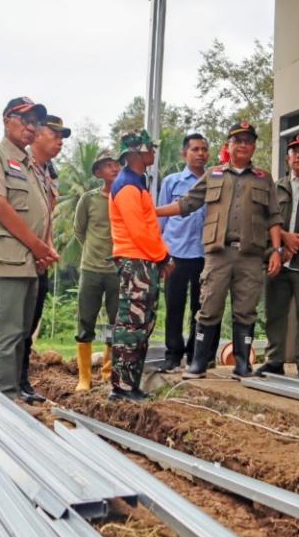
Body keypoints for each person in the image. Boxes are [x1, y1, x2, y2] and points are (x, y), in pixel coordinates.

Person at [156, 122, 283, 380]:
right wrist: (152, 212)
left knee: (246, 309)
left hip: (250, 255)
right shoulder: (213, 174)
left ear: (254, 147)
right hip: (217, 255)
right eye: (238, 141)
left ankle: (242, 365)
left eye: (248, 141)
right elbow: (187, 203)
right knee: (209, 306)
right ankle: (198, 363)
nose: (243, 145)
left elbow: (274, 217)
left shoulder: (263, 178)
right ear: (229, 146)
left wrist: (278, 250)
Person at [0, 97, 59, 401]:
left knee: (22, 331)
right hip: (8, 260)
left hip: (29, 261)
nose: (30, 127)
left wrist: (44, 249)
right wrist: (37, 246)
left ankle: (14, 392)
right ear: (6, 119)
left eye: (35, 122)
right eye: (24, 120)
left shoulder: (31, 166)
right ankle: (4, 398)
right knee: (7, 332)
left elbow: (43, 211)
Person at [254, 133, 299, 378]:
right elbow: (265, 220)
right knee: (275, 313)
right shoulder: (276, 188)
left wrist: (298, 241)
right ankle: (274, 360)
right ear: (287, 158)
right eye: (294, 151)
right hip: (277, 260)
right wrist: (284, 238)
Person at [108, 130, 173, 402]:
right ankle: (122, 388)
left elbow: (148, 227)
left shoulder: (137, 182)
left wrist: (158, 257)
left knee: (141, 324)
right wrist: (164, 257)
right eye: (150, 148)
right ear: (136, 152)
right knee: (132, 325)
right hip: (136, 261)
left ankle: (130, 386)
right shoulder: (127, 186)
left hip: (144, 261)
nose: (154, 152)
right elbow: (140, 232)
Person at [20, 114, 70, 402]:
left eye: (62, 136)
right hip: (22, 254)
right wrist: (38, 248)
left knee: (31, 321)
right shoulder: (21, 167)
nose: (60, 141)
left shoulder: (48, 171)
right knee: (15, 325)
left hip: (39, 256)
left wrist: (48, 249)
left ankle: (22, 378)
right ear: (37, 134)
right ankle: (9, 382)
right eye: (55, 134)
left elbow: (47, 216)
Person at [158, 134, 213, 373]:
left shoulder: (216, 180)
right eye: (195, 149)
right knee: (174, 307)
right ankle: (173, 355)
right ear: (185, 154)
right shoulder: (172, 181)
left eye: (204, 149)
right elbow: (159, 221)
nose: (200, 154)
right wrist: (161, 254)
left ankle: (196, 355)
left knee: (200, 308)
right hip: (176, 253)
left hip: (206, 254)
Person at [73, 149, 121, 391]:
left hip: (117, 271)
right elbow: (79, 231)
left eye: (117, 164)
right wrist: (94, 252)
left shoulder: (125, 197)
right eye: (108, 165)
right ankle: (84, 378)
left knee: (116, 322)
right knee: (86, 321)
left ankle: (107, 371)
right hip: (91, 269)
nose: (114, 168)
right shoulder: (89, 199)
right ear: (98, 172)